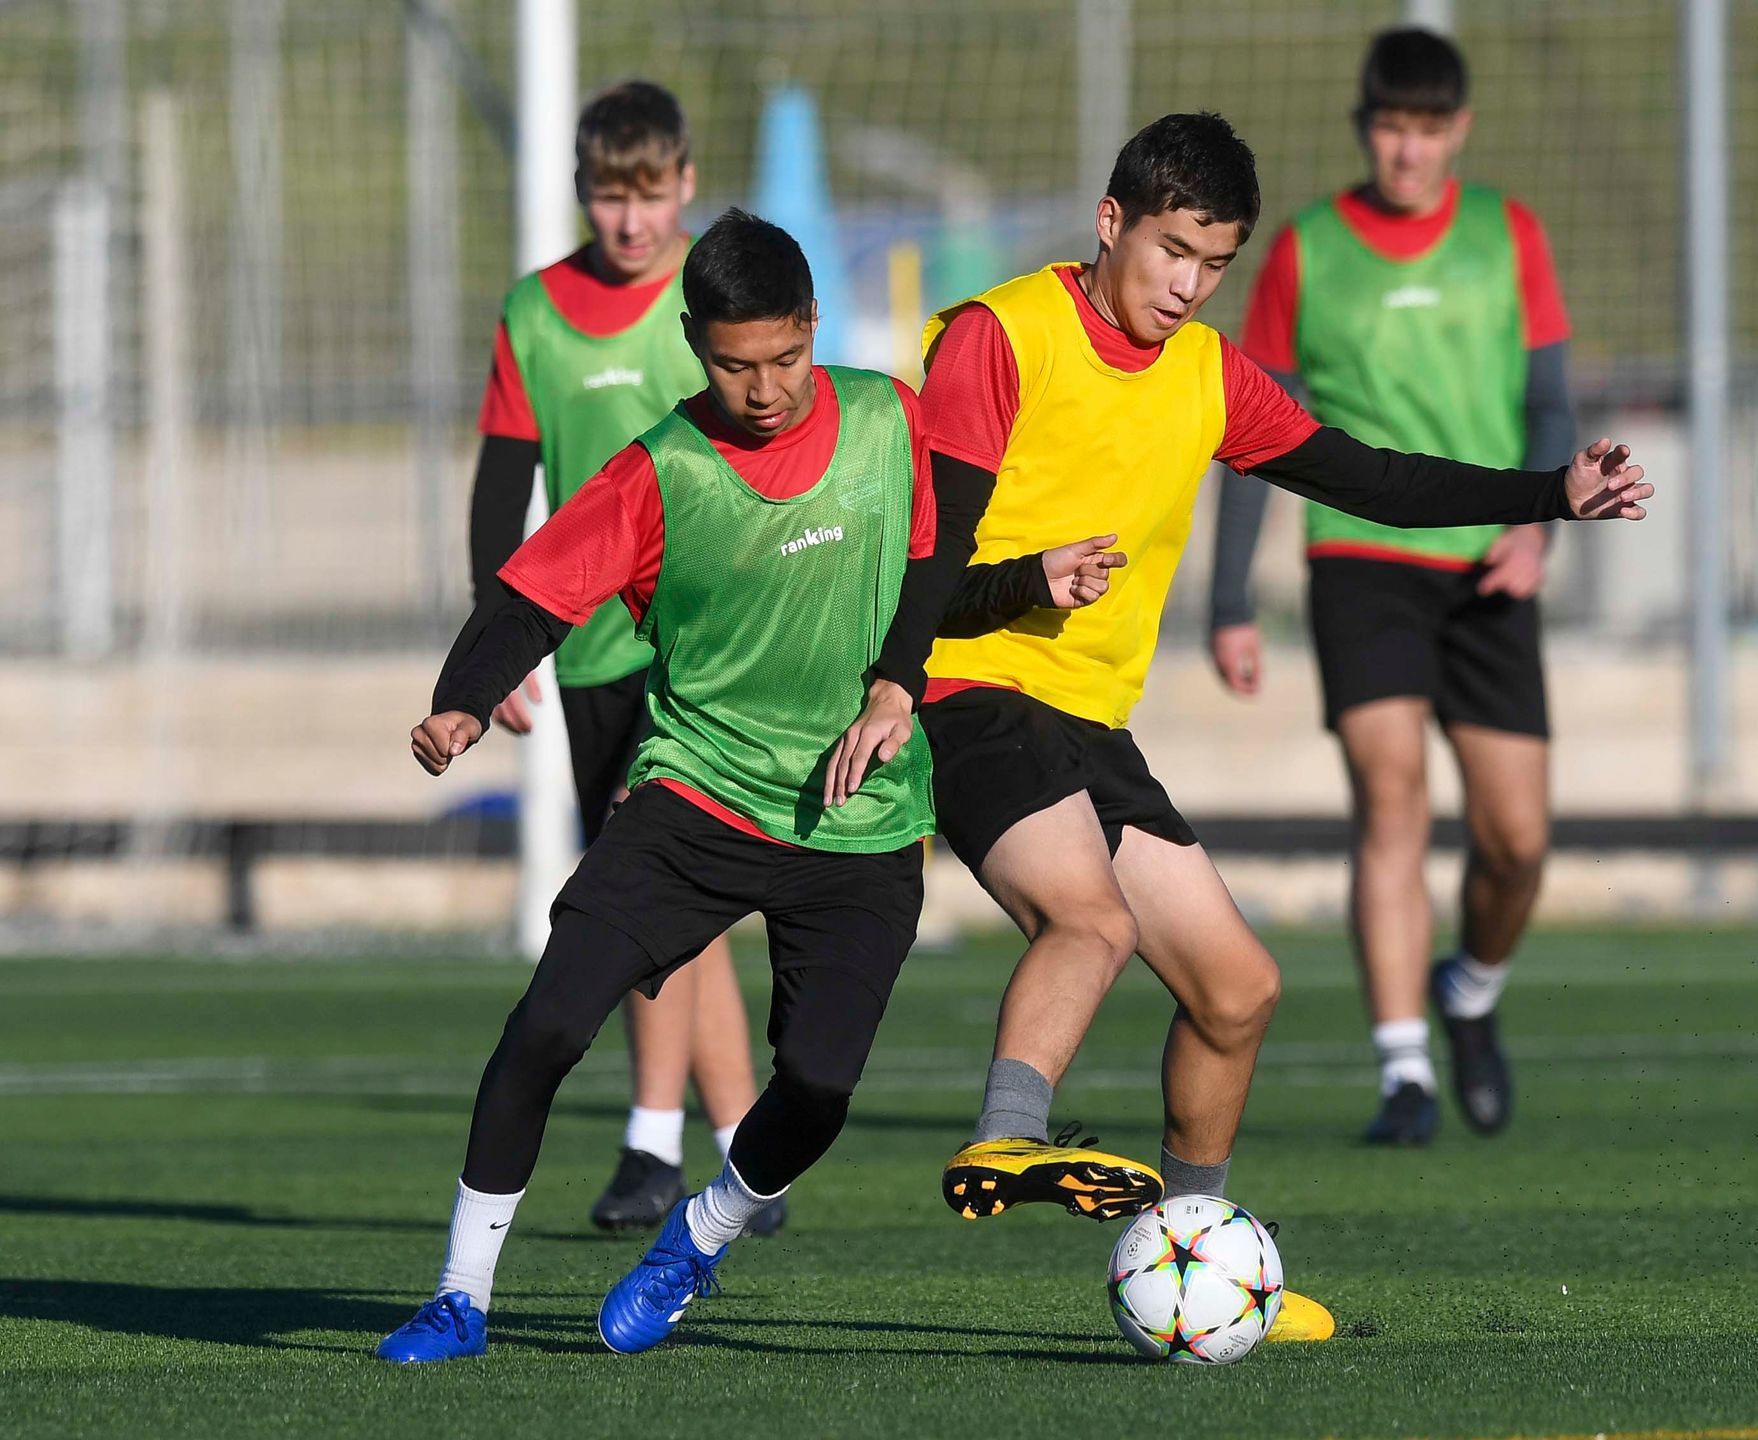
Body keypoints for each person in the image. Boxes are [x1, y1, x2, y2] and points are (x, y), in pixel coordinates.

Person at [375, 211, 1121, 1363]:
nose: (764, 389)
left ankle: (699, 1234)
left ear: (813, 326)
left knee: (816, 1088)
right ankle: (459, 1298)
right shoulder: (661, 470)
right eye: (734, 365)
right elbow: (533, 597)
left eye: (784, 357)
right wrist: (463, 699)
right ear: (694, 342)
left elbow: (927, 583)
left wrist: (1023, 582)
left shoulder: (887, 419)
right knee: (547, 1025)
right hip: (697, 798)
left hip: (859, 818)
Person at [913, 113, 1648, 1246]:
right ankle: (1006, 1137)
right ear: (1110, 222)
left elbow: (1376, 481)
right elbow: (923, 565)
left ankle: (1190, 1253)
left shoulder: (1209, 374)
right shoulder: (1001, 336)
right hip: (965, 690)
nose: (1188, 286)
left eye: (1214, 264)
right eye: (1171, 250)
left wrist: (1550, 493)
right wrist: (1011, 592)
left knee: (1238, 989)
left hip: (1087, 722)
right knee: (1092, 924)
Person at [1208, 29, 1574, 1146]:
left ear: (1458, 131)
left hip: (1489, 565)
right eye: (1389, 127)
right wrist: (1229, 599)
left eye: (1426, 129)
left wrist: (1537, 535)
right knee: (1393, 795)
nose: (1406, 150)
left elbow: (1550, 404)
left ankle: (1470, 991)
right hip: (1360, 558)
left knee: (1517, 841)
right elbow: (1252, 433)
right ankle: (1404, 1070)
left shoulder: (1508, 233)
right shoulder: (1306, 249)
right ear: (1364, 127)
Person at [470, 79, 770, 1231]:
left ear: (685, 184)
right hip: (590, 650)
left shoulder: (718, 296)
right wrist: (495, 642)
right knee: (678, 899)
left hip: (707, 644)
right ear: (581, 192)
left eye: (650, 196)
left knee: (650, 883)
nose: (631, 220)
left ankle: (651, 1146)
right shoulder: (534, 313)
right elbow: (503, 481)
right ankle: (745, 1149)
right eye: (609, 196)